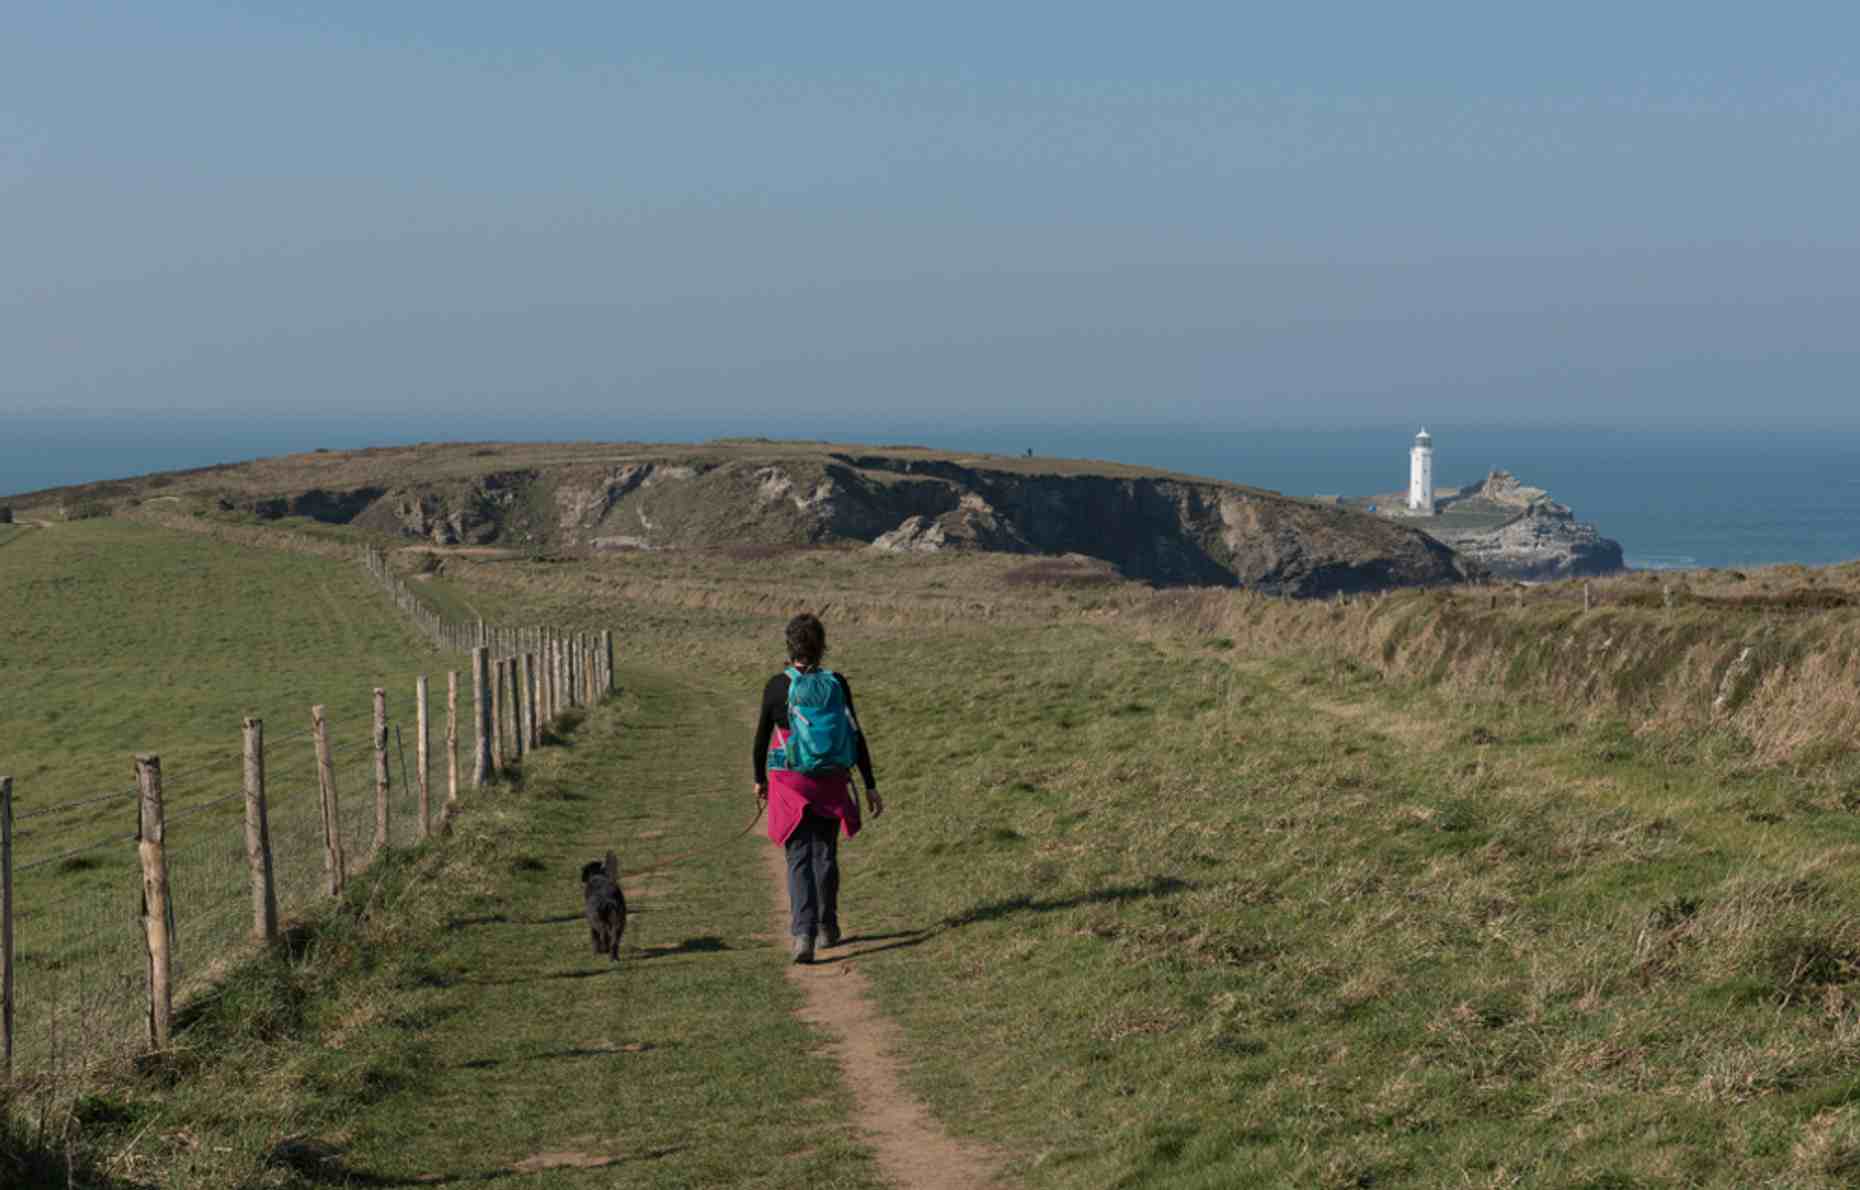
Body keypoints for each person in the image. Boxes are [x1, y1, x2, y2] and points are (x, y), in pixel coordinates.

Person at [752, 612, 881, 963]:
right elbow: (854, 733)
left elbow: (762, 737)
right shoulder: (836, 682)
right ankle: (827, 927)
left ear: (789, 645)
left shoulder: (777, 685)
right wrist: (869, 784)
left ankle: (802, 935)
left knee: (797, 857)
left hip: (790, 780)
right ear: (822, 646)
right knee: (825, 852)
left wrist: (759, 780)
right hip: (830, 777)